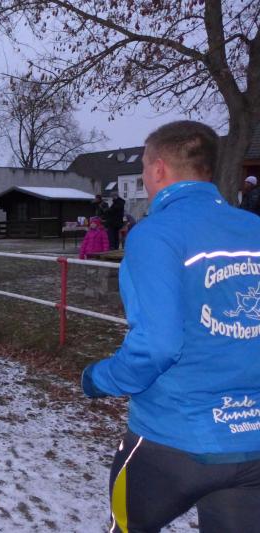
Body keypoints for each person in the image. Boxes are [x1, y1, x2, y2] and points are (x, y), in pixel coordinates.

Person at [81, 120, 260, 533]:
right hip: (251, 445)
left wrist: (97, 378)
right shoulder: (254, 228)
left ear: (159, 168)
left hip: (173, 440)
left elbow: (158, 346)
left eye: (144, 167)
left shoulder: (155, 234)